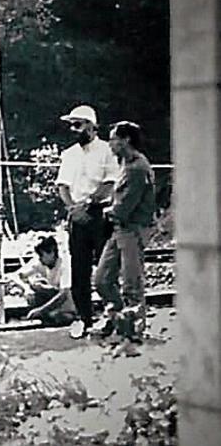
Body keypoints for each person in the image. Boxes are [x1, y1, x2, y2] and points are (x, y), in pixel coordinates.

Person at [55, 105, 120, 339]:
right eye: (71, 125)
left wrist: (89, 204)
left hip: (100, 214)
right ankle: (84, 318)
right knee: (79, 271)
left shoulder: (107, 151)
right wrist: (73, 208)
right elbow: (62, 186)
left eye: (78, 124)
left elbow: (110, 183)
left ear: (92, 126)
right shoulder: (69, 154)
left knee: (105, 270)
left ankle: (112, 316)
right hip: (77, 217)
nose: (74, 129)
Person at [93, 122, 155, 341]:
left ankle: (134, 329)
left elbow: (122, 208)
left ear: (125, 140)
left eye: (113, 139)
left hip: (132, 230)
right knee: (102, 279)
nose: (110, 144)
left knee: (131, 284)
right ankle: (117, 316)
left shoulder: (137, 168)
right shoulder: (125, 165)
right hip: (120, 230)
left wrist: (100, 210)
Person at [13, 236, 77, 326]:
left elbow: (63, 294)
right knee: (36, 288)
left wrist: (41, 311)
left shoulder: (65, 264)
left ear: (51, 253)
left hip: (70, 305)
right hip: (54, 301)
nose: (39, 259)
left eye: (41, 255)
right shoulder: (42, 262)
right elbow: (16, 275)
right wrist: (26, 288)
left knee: (57, 317)